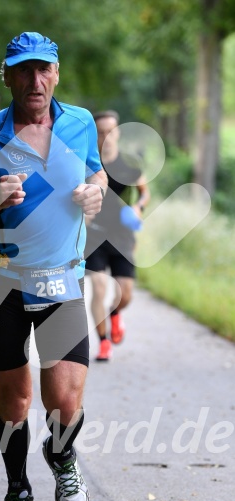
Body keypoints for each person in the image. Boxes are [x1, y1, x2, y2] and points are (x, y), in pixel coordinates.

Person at [0, 32, 107, 501]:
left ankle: (61, 456)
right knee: (14, 401)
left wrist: (96, 194)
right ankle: (18, 494)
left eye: (44, 70)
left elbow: (97, 174)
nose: (34, 81)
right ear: (7, 75)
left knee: (64, 401)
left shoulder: (79, 124)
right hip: (2, 282)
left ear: (56, 73)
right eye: (23, 70)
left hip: (62, 277)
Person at [85, 110, 150, 361]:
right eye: (101, 132)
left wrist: (139, 207)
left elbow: (144, 192)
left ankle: (114, 314)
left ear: (118, 132)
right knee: (99, 288)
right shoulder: (87, 164)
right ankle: (103, 342)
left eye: (110, 131)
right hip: (94, 236)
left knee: (125, 294)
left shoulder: (130, 165)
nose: (106, 137)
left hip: (122, 236)